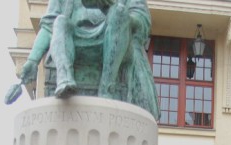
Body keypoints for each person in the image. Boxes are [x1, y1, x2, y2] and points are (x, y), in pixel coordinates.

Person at [19, 0, 158, 118]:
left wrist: (110, 7)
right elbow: (49, 26)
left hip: (115, 41)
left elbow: (142, 24)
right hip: (76, 41)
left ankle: (107, 88)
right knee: (60, 21)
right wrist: (32, 60)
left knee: (120, 12)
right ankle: (65, 79)